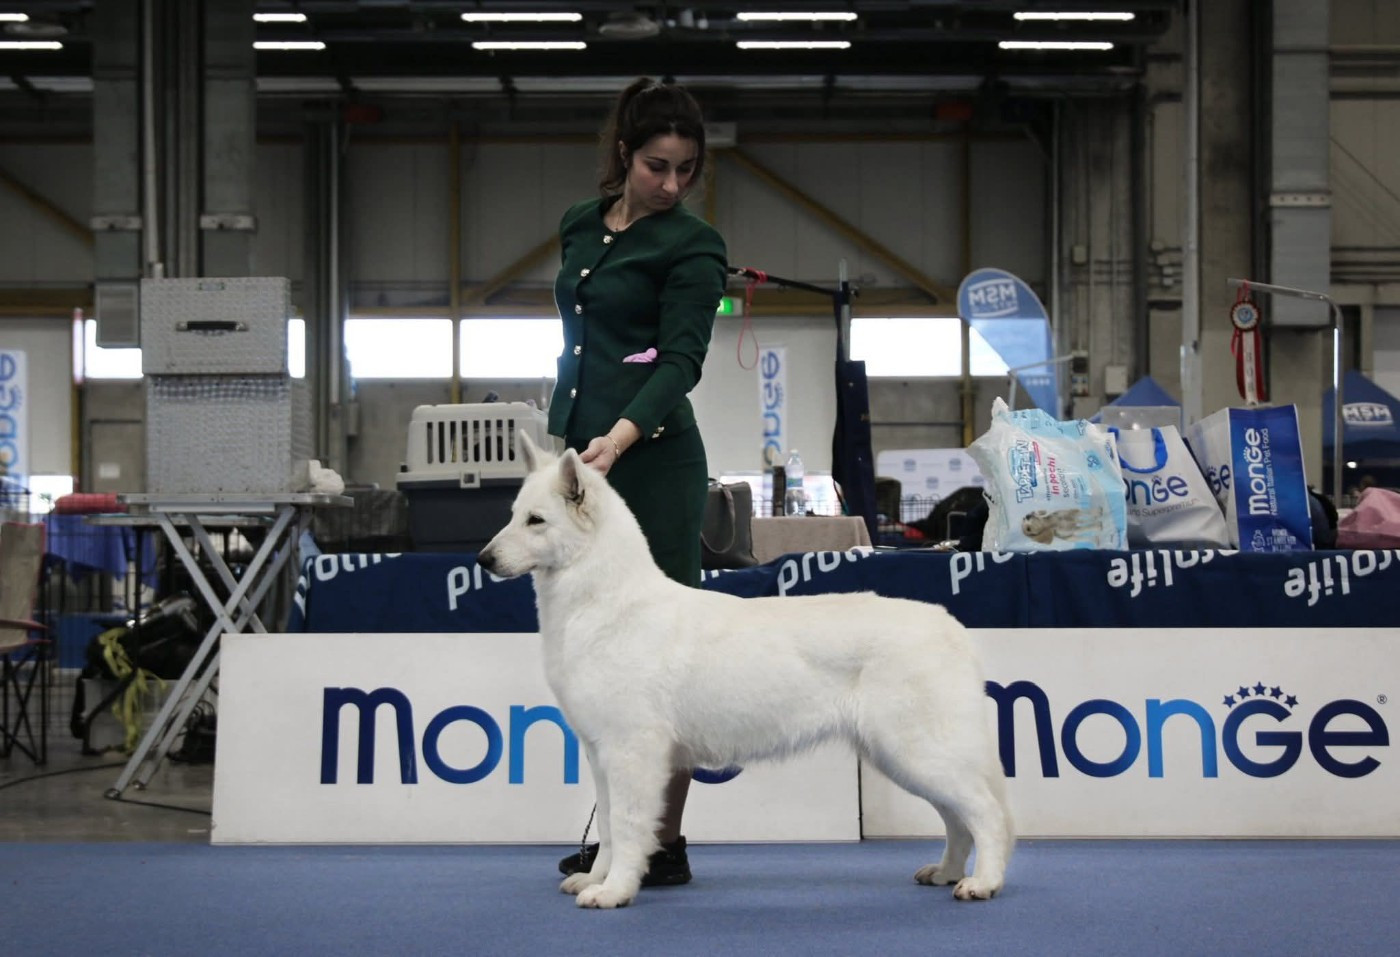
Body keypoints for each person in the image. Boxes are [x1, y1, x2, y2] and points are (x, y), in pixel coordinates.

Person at [547, 77, 728, 887]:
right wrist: (568, 438)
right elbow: (583, 344)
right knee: (597, 658)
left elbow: (682, 360)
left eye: (687, 169)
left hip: (649, 462)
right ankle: (626, 836)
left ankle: (663, 842)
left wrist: (619, 436)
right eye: (658, 165)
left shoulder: (693, 244)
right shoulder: (580, 227)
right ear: (624, 154)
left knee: (661, 661)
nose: (672, 184)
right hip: (583, 463)